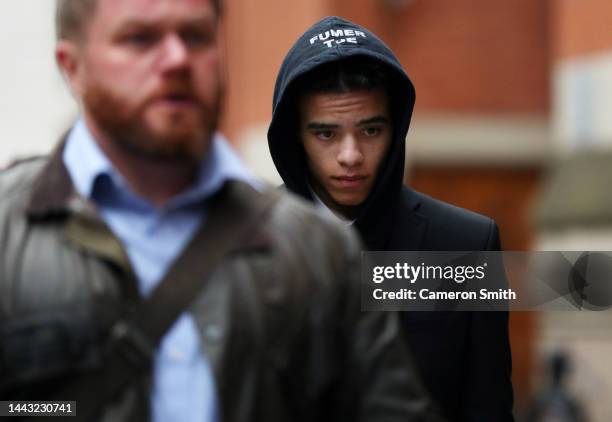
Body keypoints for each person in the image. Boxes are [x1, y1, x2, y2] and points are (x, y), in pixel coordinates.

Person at [0, 2, 444, 422]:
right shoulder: (10, 233)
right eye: (140, 38)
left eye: (196, 36)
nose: (176, 59)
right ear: (72, 67)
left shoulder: (319, 249)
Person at [267, 16, 514, 421]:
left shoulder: (466, 246)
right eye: (326, 134)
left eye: (370, 130)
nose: (351, 155)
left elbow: (488, 408)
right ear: (295, 136)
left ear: (395, 129)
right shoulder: (244, 240)